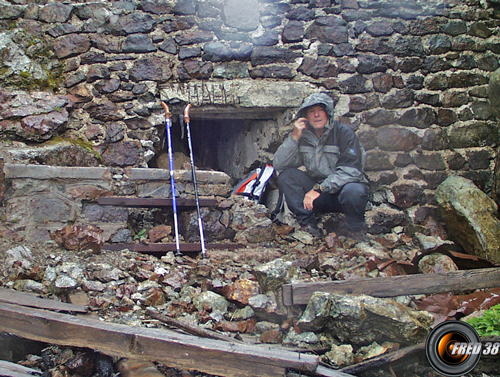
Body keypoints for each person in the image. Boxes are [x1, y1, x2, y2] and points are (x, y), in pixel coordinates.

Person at [273, 93, 369, 237]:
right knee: (287, 177)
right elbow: (279, 164)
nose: (316, 115)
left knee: (354, 191)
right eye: (312, 111)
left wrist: (320, 188)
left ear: (328, 113)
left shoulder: (344, 134)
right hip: (320, 195)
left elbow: (352, 172)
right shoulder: (304, 136)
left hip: (342, 192)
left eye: (320, 110)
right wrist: (294, 137)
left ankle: (355, 232)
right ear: (305, 116)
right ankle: (308, 228)